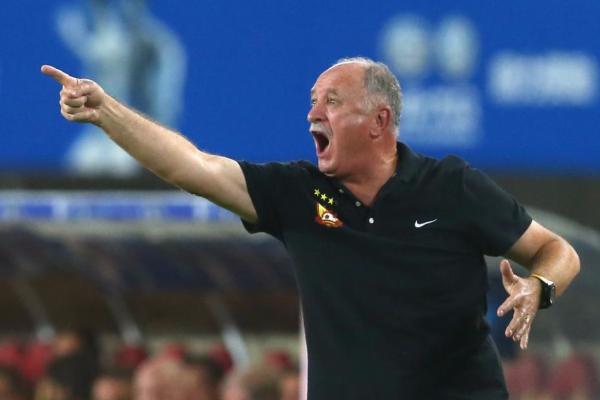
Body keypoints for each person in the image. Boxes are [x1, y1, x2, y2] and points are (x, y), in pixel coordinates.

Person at [41, 57, 580, 398]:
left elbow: (558, 251)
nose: (312, 114)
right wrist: (107, 111)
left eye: (332, 102)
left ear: (379, 121)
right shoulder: (298, 195)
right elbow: (193, 167)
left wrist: (540, 286)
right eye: (312, 102)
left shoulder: (452, 186)